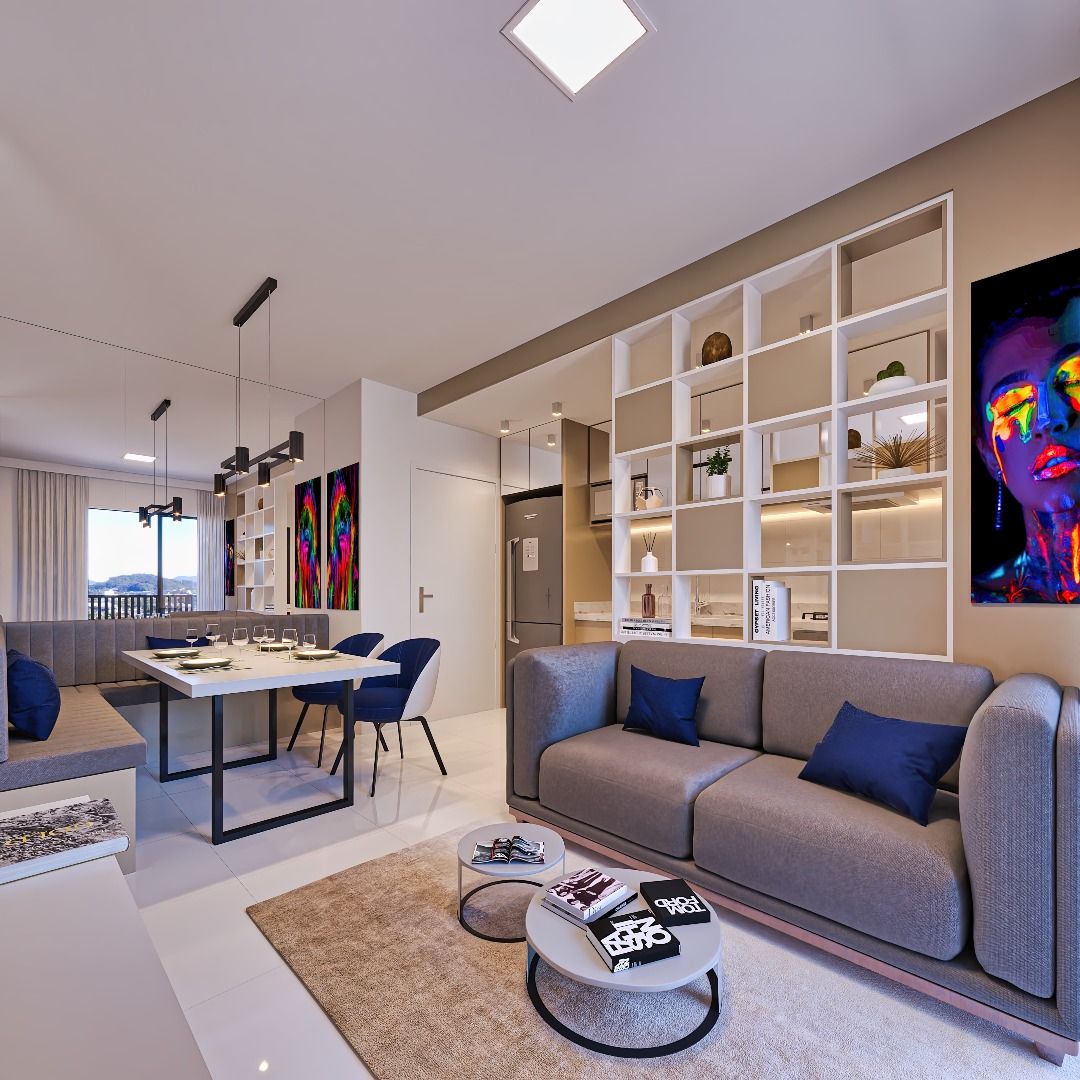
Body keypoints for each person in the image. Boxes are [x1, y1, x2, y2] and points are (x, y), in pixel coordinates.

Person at [973, 279, 1080, 603]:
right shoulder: (981, 599)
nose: (1048, 418)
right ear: (990, 457)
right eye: (1013, 405)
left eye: (1075, 380)